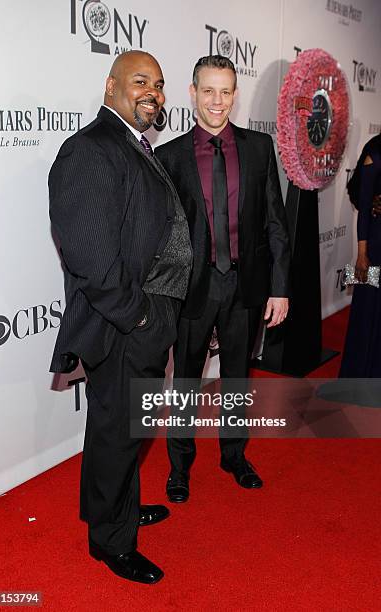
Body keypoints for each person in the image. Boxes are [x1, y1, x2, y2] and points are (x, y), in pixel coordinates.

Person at [48, 51, 192, 584]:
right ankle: (110, 541)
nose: (151, 90)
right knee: (116, 430)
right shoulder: (90, 149)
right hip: (127, 321)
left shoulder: (132, 145)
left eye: (158, 83)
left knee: (127, 427)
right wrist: (139, 318)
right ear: (110, 86)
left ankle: (121, 512)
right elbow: (88, 255)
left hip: (147, 313)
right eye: (139, 81)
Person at [156, 56, 291, 503]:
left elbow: (275, 221)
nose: (217, 101)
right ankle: (179, 467)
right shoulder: (169, 156)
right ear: (192, 93)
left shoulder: (258, 147)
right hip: (193, 289)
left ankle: (234, 456)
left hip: (244, 284)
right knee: (187, 382)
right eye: (208, 91)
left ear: (235, 94)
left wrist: (280, 286)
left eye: (226, 91)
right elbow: (162, 234)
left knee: (237, 378)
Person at [339, 133, 381, 377]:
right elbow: (364, 207)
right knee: (367, 310)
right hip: (375, 246)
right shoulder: (374, 153)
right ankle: (361, 373)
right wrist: (362, 254)